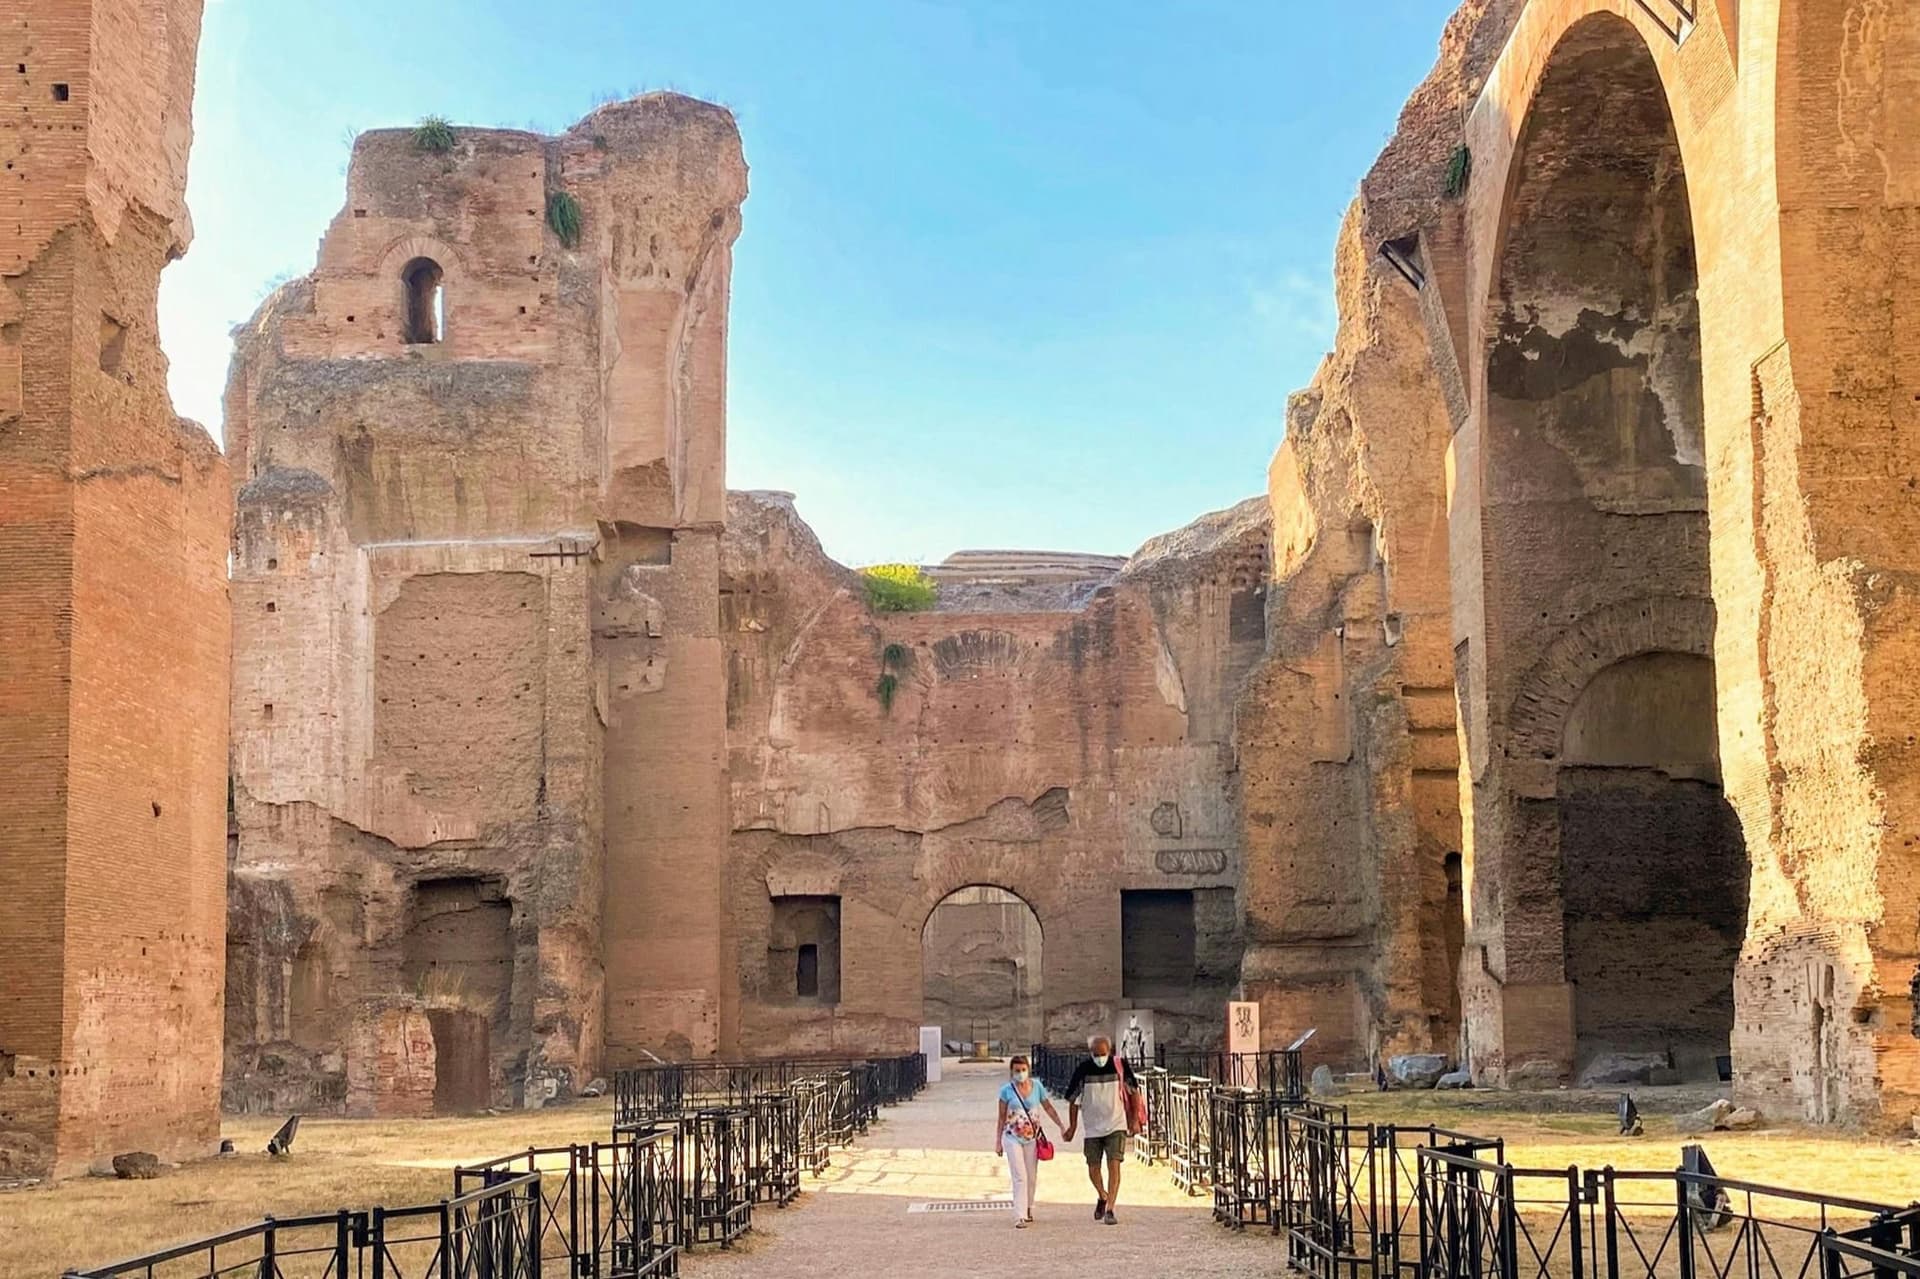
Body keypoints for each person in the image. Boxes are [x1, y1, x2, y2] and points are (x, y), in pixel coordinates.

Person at [1063, 1034, 1138, 1225]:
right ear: (1090, 1053)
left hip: (1116, 1124)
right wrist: (1072, 1126)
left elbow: (1133, 1092)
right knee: (1093, 1168)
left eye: (1102, 1054)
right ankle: (1102, 1195)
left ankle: (1110, 1208)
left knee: (1114, 1164)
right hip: (1092, 1127)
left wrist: (1134, 1120)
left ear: (1109, 1051)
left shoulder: (1119, 1065)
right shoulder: (1083, 1069)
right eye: (1096, 1054)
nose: (1099, 1058)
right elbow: (1073, 1099)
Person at [995, 1054, 1065, 1228]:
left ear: (1028, 1070)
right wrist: (998, 1141)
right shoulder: (1006, 1091)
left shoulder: (1037, 1086)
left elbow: (1048, 1107)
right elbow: (1001, 1117)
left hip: (1032, 1138)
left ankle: (1028, 1206)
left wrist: (1061, 1125)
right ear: (1012, 1072)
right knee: (1020, 1176)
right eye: (1017, 1071)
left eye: (1023, 1070)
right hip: (1012, 1136)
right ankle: (1020, 1215)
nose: (1020, 1073)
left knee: (1031, 1176)